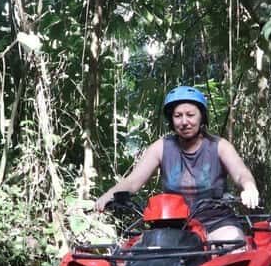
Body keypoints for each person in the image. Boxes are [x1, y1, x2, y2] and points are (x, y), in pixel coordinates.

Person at [95, 86, 260, 242]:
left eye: (190, 114)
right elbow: (133, 181)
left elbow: (240, 173)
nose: (184, 121)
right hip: (172, 225)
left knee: (233, 244)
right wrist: (108, 196)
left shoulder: (219, 146)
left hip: (216, 221)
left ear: (201, 116)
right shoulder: (161, 147)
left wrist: (249, 187)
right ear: (171, 119)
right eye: (178, 116)